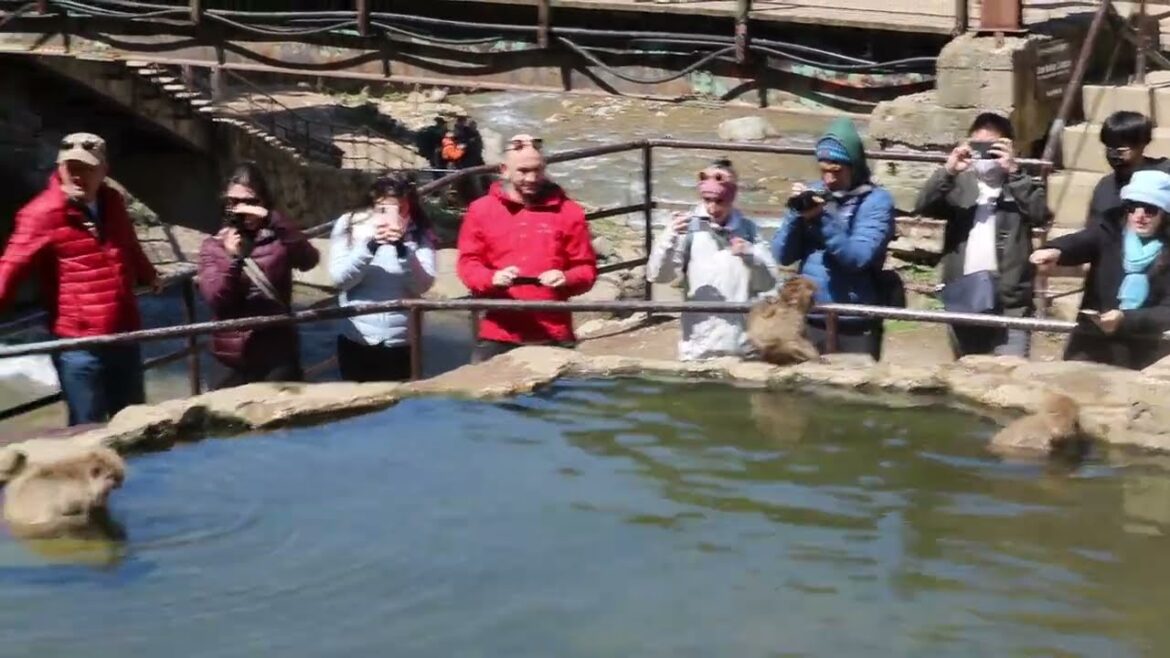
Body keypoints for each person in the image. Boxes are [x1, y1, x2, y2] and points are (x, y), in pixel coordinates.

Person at [0, 132, 160, 426]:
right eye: (69, 167)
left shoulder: (112, 201)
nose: (76, 175)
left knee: (136, 425)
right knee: (87, 432)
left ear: (103, 171)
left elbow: (128, 244)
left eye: (86, 168)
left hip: (124, 333)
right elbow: (10, 267)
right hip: (79, 344)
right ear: (59, 167)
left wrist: (148, 274)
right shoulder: (42, 213)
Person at [915, 112, 1048, 358]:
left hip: (1011, 307)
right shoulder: (959, 185)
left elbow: (1041, 214)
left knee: (1010, 383)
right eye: (978, 146)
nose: (985, 155)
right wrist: (949, 171)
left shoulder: (1022, 183)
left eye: (993, 148)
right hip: (965, 299)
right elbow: (923, 206)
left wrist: (1014, 172)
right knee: (967, 381)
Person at [456, 134, 598, 363]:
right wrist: (492, 278)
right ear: (504, 170)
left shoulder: (570, 212)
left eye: (537, 170)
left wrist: (566, 277)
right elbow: (468, 264)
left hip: (554, 332)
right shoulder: (480, 210)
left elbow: (586, 270)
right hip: (498, 331)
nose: (532, 178)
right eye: (523, 171)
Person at [770, 117, 898, 360]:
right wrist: (795, 215)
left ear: (855, 166)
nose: (829, 179)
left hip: (854, 320)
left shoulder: (877, 202)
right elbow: (782, 255)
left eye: (837, 171)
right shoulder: (815, 193)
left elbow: (858, 258)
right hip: (808, 315)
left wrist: (822, 218)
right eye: (824, 171)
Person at [1031, 169, 1170, 370]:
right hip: (1090, 346)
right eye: (1132, 208)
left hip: (1144, 352)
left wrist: (1125, 319)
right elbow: (1082, 241)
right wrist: (1055, 250)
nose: (1139, 217)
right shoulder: (1110, 231)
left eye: (1150, 210)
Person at [198, 162, 319, 388]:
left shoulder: (279, 238)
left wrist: (274, 219)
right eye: (234, 202)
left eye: (250, 202)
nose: (242, 209)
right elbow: (217, 299)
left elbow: (309, 260)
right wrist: (234, 260)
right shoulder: (212, 246)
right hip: (229, 358)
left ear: (264, 202)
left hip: (276, 354)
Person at [646, 158, 777, 360]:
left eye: (720, 201)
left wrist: (749, 256)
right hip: (697, 348)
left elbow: (768, 284)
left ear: (732, 198)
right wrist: (669, 237)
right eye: (707, 200)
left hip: (742, 349)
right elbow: (657, 276)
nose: (713, 209)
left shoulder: (749, 231)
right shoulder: (686, 229)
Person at [329, 172, 437, 382]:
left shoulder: (419, 233)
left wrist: (403, 251)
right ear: (373, 203)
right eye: (383, 209)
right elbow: (340, 279)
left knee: (398, 408)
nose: (391, 216)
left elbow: (422, 286)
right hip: (356, 338)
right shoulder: (349, 225)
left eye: (400, 208)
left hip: (402, 343)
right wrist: (370, 247)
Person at [1086, 111, 1170, 229]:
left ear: (1142, 144)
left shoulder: (1165, 175)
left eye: (1122, 148)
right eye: (1110, 147)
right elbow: (1093, 233)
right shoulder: (1105, 187)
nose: (1115, 155)